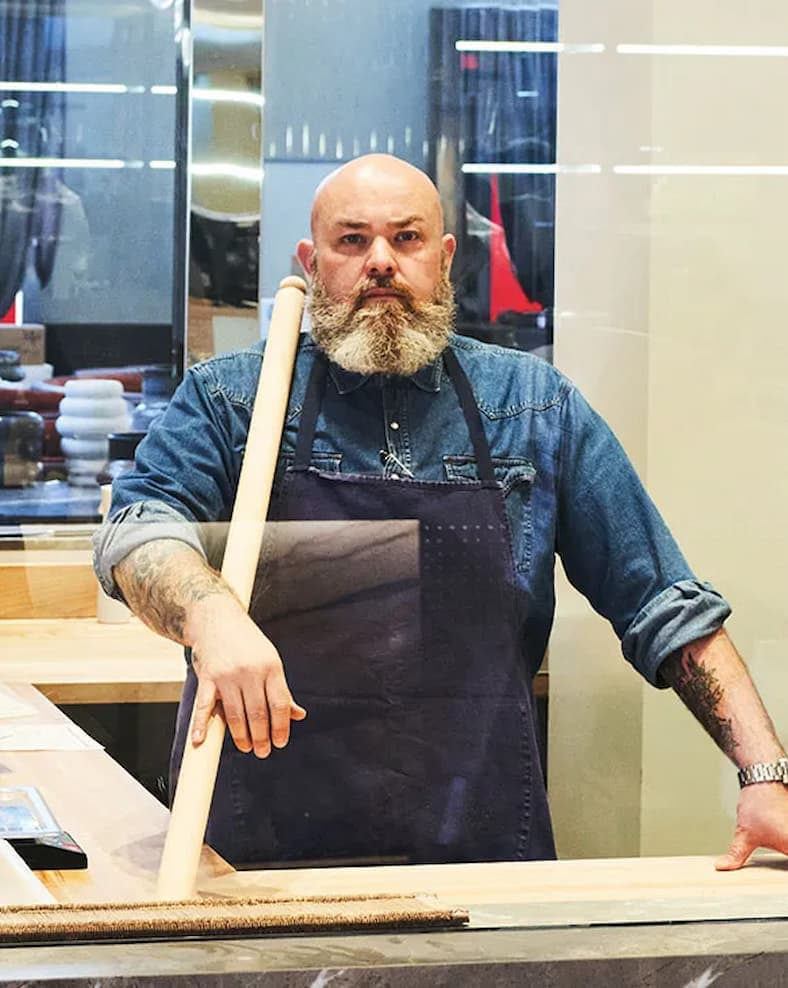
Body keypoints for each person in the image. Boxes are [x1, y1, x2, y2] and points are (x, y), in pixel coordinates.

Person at [94, 154, 788, 869]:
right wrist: (209, 614)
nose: (382, 262)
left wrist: (764, 775)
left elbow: (662, 602)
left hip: (478, 856)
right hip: (258, 865)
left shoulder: (534, 409)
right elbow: (138, 530)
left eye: (407, 238)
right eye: (353, 240)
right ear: (311, 259)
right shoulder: (233, 400)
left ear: (446, 256)